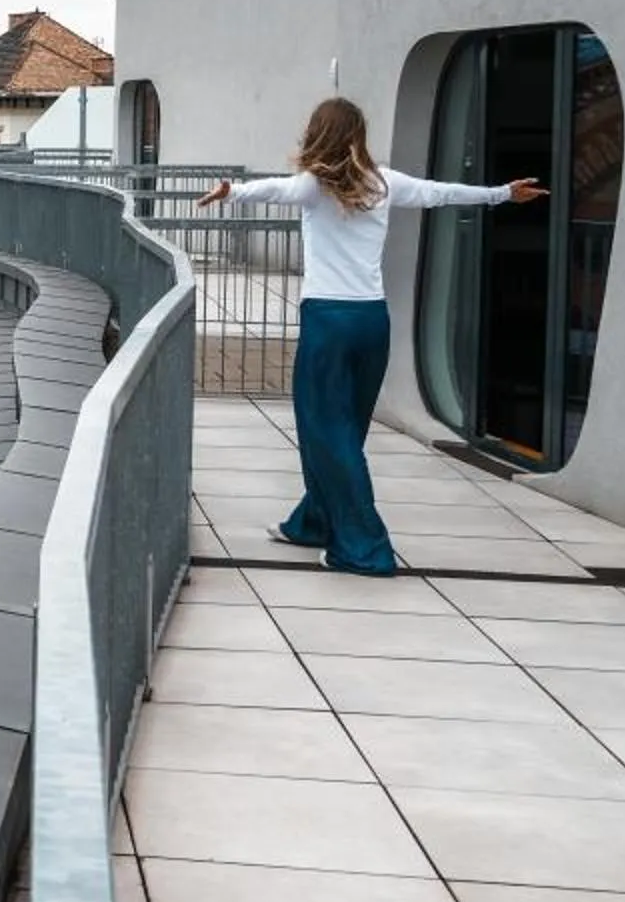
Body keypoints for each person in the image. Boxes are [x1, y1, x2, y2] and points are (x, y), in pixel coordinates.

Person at [199, 98, 544, 577]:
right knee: (343, 431)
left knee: (327, 431)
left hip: (328, 323)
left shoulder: (313, 187)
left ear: (318, 133)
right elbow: (441, 193)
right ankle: (314, 522)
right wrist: (503, 194)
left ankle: (364, 549)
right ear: (358, 134)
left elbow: (273, 190)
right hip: (372, 324)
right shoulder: (384, 183)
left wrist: (231, 191)